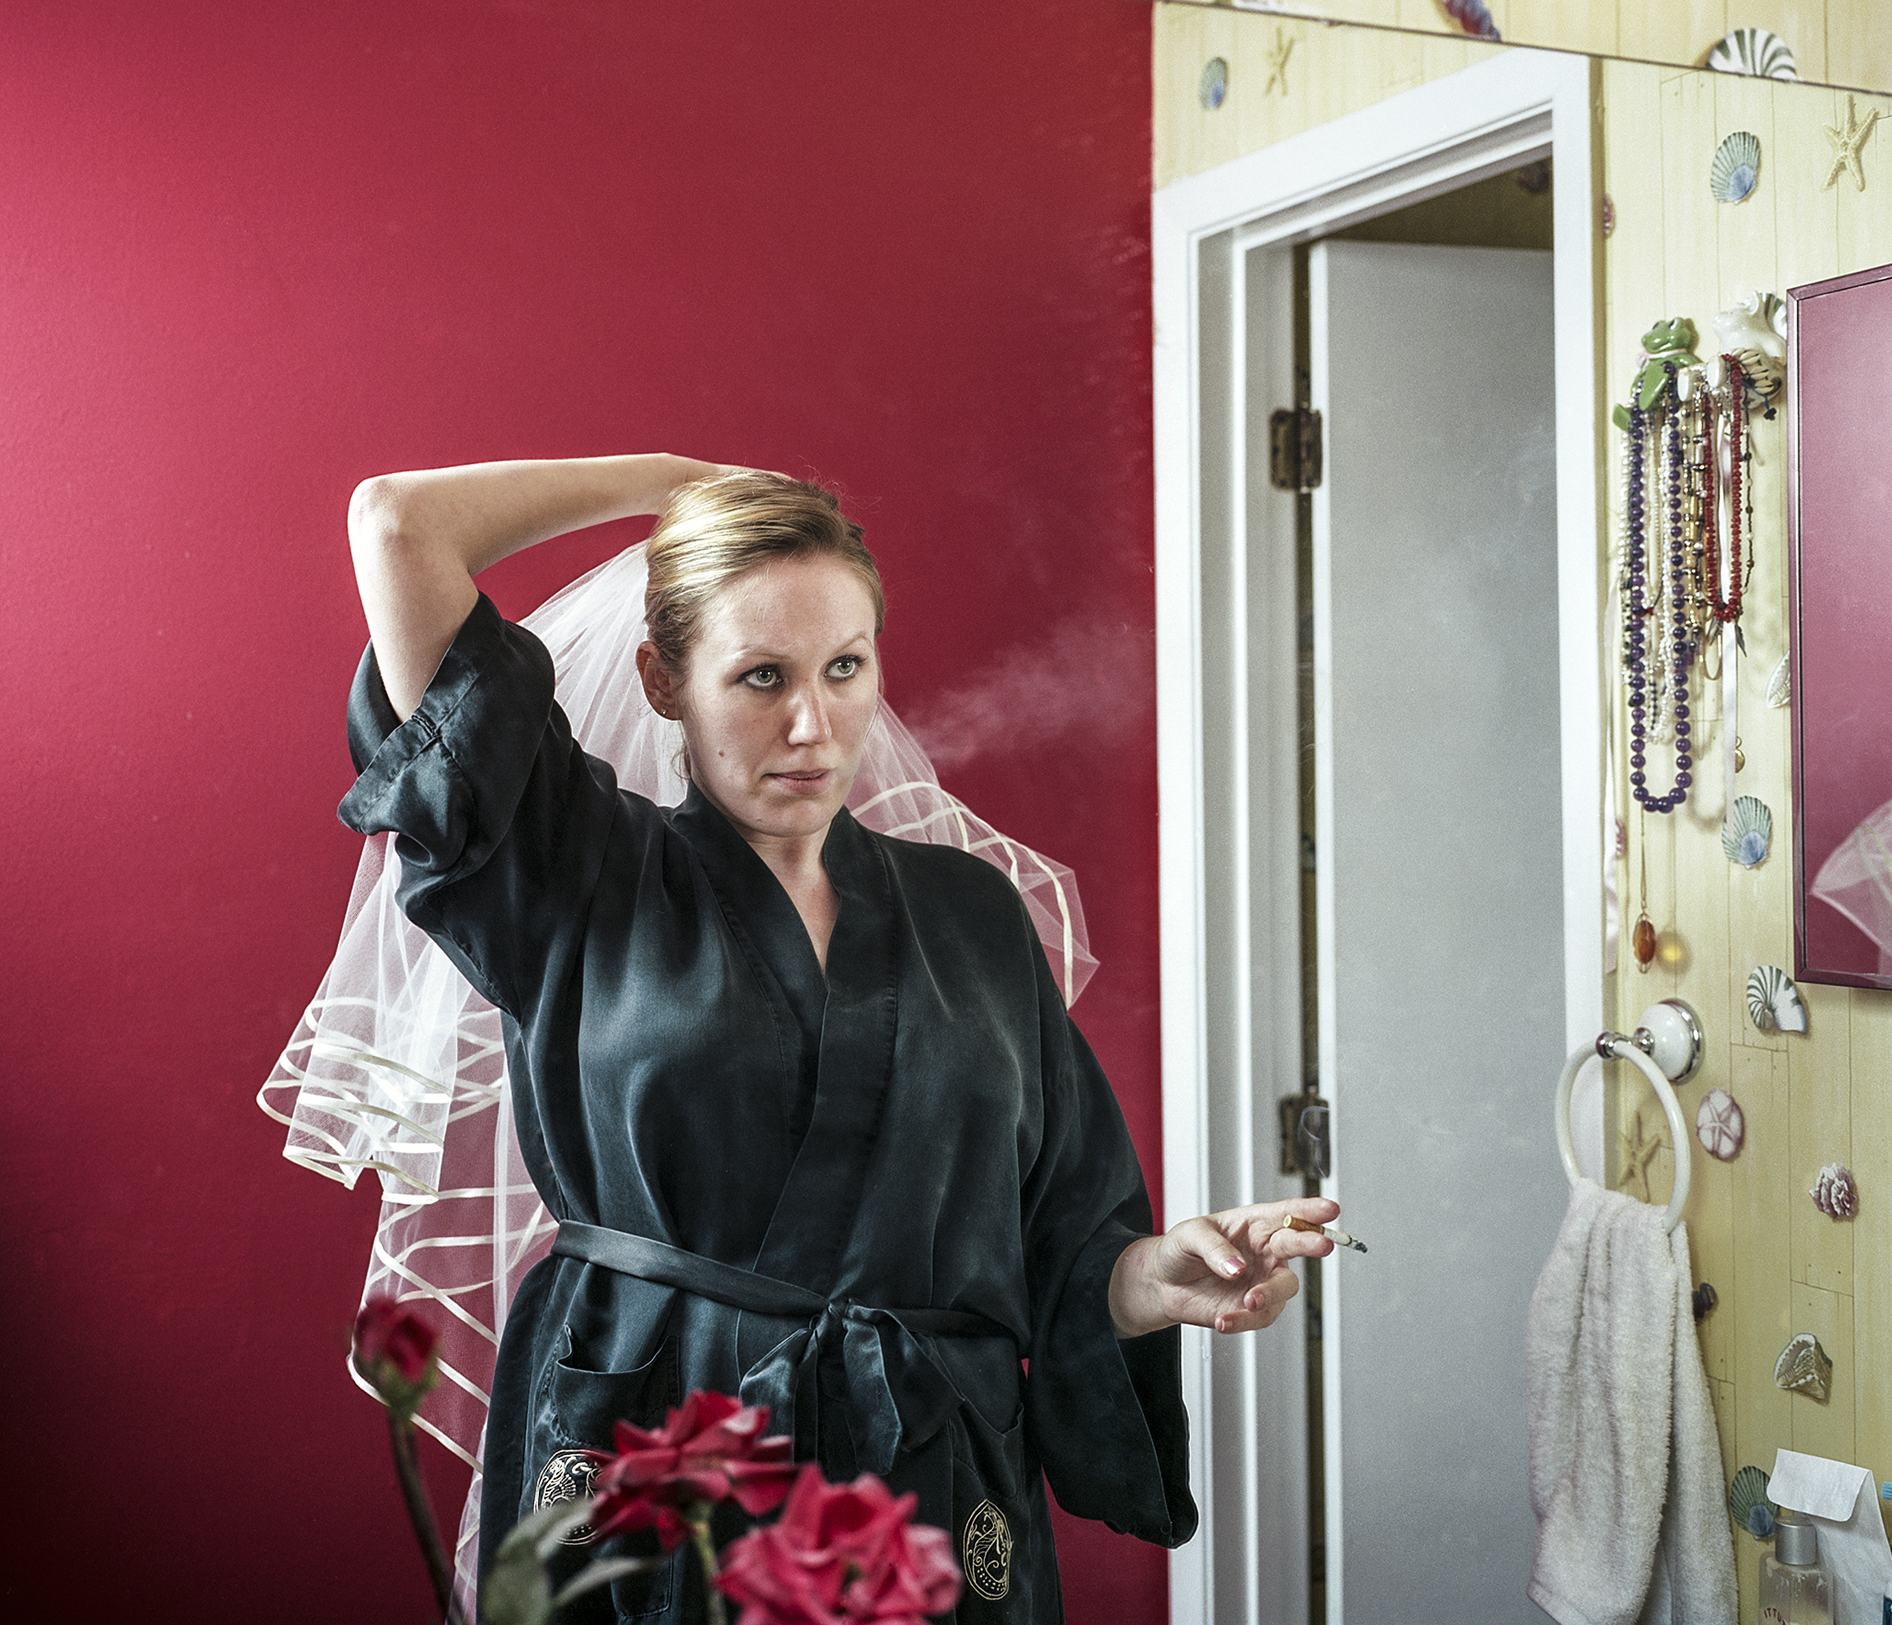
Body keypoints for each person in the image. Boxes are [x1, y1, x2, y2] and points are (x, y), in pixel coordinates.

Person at [341, 452, 1337, 1621]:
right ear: (663, 680)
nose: (812, 725)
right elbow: (398, 523)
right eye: (760, 676)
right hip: (653, 1462)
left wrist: (1147, 1280)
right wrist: (673, 478)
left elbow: (1061, 1240)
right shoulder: (575, 874)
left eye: (844, 668)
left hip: (922, 1482)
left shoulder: (972, 917)